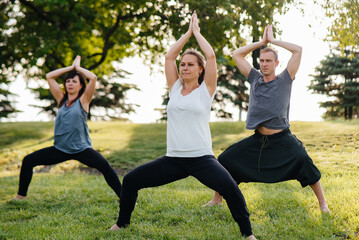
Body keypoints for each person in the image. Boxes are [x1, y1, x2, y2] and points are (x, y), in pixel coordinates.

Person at [110, 13, 256, 239]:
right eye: (183, 64)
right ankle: (121, 224)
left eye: (190, 65)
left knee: (230, 189)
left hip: (202, 159)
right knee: (130, 180)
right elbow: (169, 57)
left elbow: (210, 55)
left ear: (200, 69)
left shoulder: (206, 90)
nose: (184, 67)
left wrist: (196, 33)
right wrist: (186, 33)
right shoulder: (175, 88)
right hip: (173, 160)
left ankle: (248, 234)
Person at [204, 25, 329, 213]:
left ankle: (323, 204)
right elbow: (237, 55)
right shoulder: (254, 78)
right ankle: (217, 199)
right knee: (225, 159)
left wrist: (273, 41)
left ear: (276, 63)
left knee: (303, 160)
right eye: (261, 60)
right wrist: (261, 43)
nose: (264, 64)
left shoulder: (285, 79)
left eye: (268, 61)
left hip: (282, 137)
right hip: (258, 139)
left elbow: (298, 50)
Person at [13, 56, 122, 200]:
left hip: (81, 149)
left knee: (105, 167)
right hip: (60, 149)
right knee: (28, 160)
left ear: (81, 85)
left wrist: (78, 68)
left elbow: (93, 78)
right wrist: (71, 68)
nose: (70, 83)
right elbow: (49, 77)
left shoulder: (84, 100)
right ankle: (21, 196)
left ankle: (125, 197)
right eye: (68, 81)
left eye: (74, 81)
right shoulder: (61, 100)